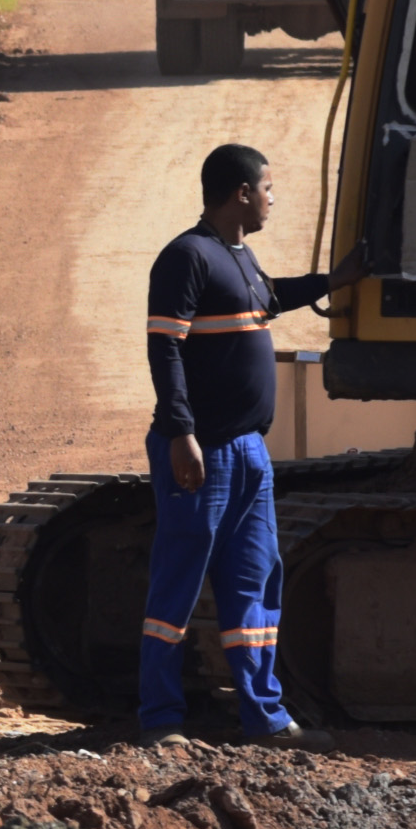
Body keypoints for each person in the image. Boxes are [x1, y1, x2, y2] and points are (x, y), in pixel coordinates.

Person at [138, 141, 359, 738]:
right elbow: (165, 349)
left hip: (248, 451)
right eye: (267, 188)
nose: (272, 199)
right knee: (179, 582)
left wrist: (332, 280)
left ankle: (264, 715)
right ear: (241, 193)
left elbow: (268, 298)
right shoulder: (187, 256)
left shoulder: (240, 256)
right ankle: (160, 718)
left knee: (255, 581)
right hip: (202, 451)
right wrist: (181, 432)